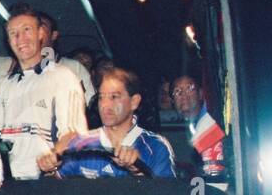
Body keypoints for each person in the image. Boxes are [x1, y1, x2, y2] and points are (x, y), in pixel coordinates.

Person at [0, 4, 88, 180]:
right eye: (13, 33)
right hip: (7, 184)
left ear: (41, 34)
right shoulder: (4, 85)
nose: (20, 38)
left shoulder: (62, 77)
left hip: (45, 183)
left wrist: (54, 155)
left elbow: (73, 134)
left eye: (27, 30)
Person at [46, 65, 175, 178]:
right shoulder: (81, 143)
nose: (105, 105)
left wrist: (138, 172)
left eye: (114, 97)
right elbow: (56, 191)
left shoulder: (156, 147)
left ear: (134, 101)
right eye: (101, 97)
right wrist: (50, 168)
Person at [171, 74, 225, 176]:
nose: (184, 95)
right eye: (177, 91)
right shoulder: (173, 127)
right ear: (172, 101)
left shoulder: (211, 124)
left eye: (189, 88)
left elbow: (215, 177)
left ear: (201, 94)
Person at [38, 11, 95, 104]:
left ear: (54, 35)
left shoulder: (73, 68)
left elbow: (89, 103)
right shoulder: (15, 70)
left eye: (41, 25)